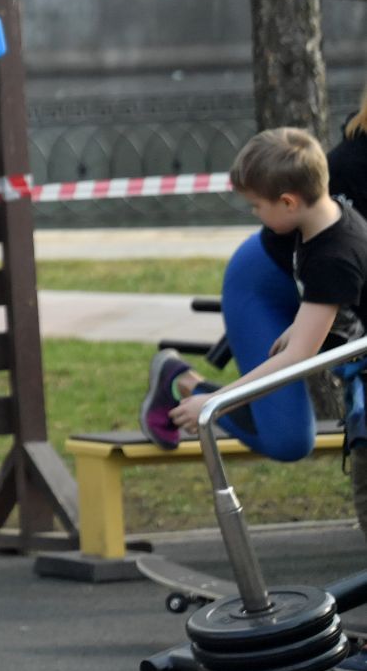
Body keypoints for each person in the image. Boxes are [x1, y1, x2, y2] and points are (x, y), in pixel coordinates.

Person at [141, 127, 367, 454]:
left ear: (288, 202)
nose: (254, 214)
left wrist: (215, 402)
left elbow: (297, 356)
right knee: (287, 442)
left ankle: (188, 386)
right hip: (257, 287)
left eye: (256, 205)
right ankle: (182, 384)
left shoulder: (333, 257)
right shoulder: (325, 217)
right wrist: (301, 324)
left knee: (286, 442)